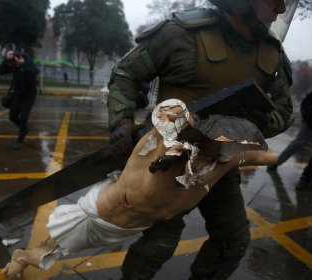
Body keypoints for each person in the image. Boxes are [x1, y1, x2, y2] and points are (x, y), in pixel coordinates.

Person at [107, 0, 293, 279]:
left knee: (233, 241)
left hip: (219, 163)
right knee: (160, 242)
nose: (280, 9)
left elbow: (286, 111)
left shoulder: (271, 52)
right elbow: (126, 73)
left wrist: (263, 121)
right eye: (274, 0)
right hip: (166, 162)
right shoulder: (181, 34)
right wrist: (120, 123)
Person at [1, 98, 278, 279]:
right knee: (44, 255)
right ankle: (21, 256)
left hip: (128, 229)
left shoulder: (220, 165)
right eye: (209, 143)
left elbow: (255, 155)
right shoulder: (162, 146)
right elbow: (166, 115)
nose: (212, 152)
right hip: (96, 217)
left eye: (222, 147)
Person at [268, 91, 312, 190]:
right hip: (310, 123)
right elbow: (307, 100)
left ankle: (306, 177)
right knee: (296, 144)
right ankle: (277, 162)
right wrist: (305, 115)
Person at [0, 49, 39, 150]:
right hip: (17, 93)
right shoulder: (12, 62)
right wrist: (6, 59)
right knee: (12, 116)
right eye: (13, 60)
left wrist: (23, 65)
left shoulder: (27, 62)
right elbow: (1, 71)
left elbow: (33, 73)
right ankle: (24, 129)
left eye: (16, 60)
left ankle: (20, 139)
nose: (15, 63)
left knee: (24, 116)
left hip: (29, 94)